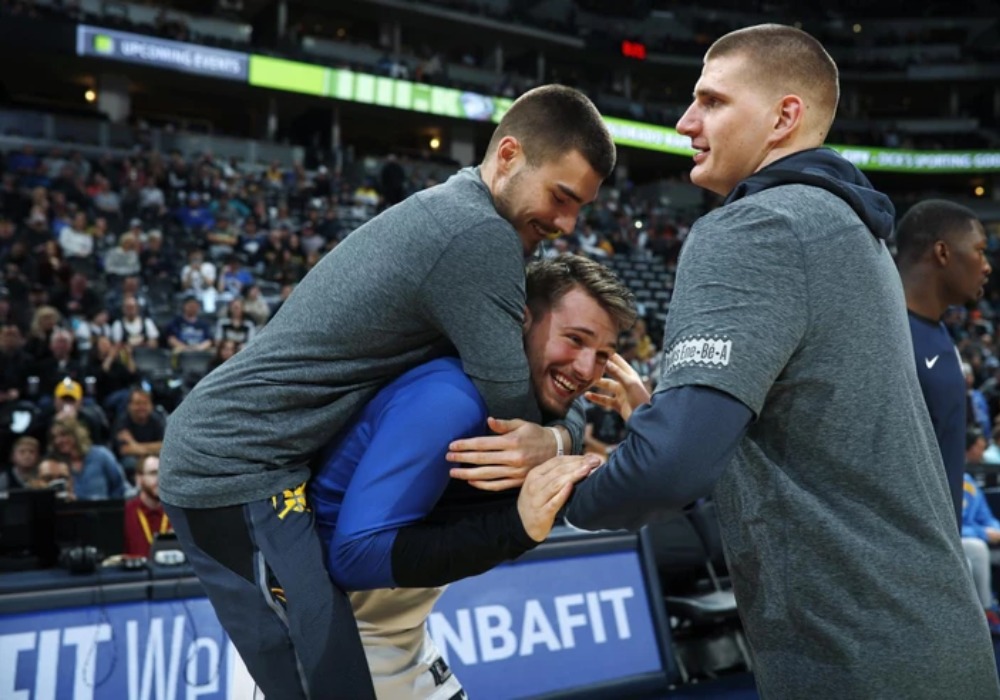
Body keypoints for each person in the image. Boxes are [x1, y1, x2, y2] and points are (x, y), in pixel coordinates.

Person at [519, 24, 1000, 697]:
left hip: (854, 656)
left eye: (712, 102)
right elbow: (805, 446)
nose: (686, 121)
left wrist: (555, 498)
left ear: (784, 117)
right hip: (934, 639)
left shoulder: (755, 227)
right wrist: (661, 420)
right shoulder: (850, 230)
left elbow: (673, 469)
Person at [159, 84, 616, 700]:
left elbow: (542, 406)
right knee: (328, 681)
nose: (566, 224)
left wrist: (561, 430)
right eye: (561, 197)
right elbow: (514, 413)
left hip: (267, 458)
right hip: (236, 464)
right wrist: (567, 433)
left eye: (579, 208)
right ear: (507, 155)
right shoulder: (480, 236)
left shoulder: (455, 211)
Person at [311, 255, 633, 700]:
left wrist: (571, 438)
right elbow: (354, 556)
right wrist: (515, 529)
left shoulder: (534, 403)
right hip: (328, 643)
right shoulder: (451, 398)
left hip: (400, 633)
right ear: (520, 322)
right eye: (574, 340)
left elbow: (572, 408)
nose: (585, 369)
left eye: (602, 356)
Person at [895, 199, 991, 526]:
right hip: (903, 556)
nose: (987, 265)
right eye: (979, 250)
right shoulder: (886, 334)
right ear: (942, 253)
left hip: (940, 549)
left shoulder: (937, 331)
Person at [961, 428, 1000, 631]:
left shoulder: (968, 481)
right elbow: (954, 525)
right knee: (977, 548)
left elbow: (985, 516)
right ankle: (986, 610)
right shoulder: (948, 481)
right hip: (960, 540)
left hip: (977, 537)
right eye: (979, 448)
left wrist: (995, 530)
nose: (983, 454)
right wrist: (984, 533)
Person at [123, 455, 171, 557]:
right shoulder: (126, 511)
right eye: (153, 473)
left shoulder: (176, 512)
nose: (160, 479)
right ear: (139, 479)